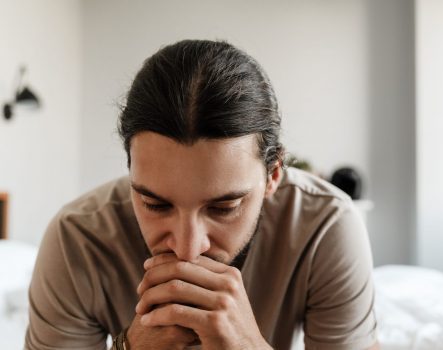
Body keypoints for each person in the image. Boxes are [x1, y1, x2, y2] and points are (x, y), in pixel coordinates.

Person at [25, 40, 378, 350]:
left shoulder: (327, 225)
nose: (187, 248)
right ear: (131, 169)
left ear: (273, 175)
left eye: (224, 207)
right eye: (155, 204)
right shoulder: (77, 237)